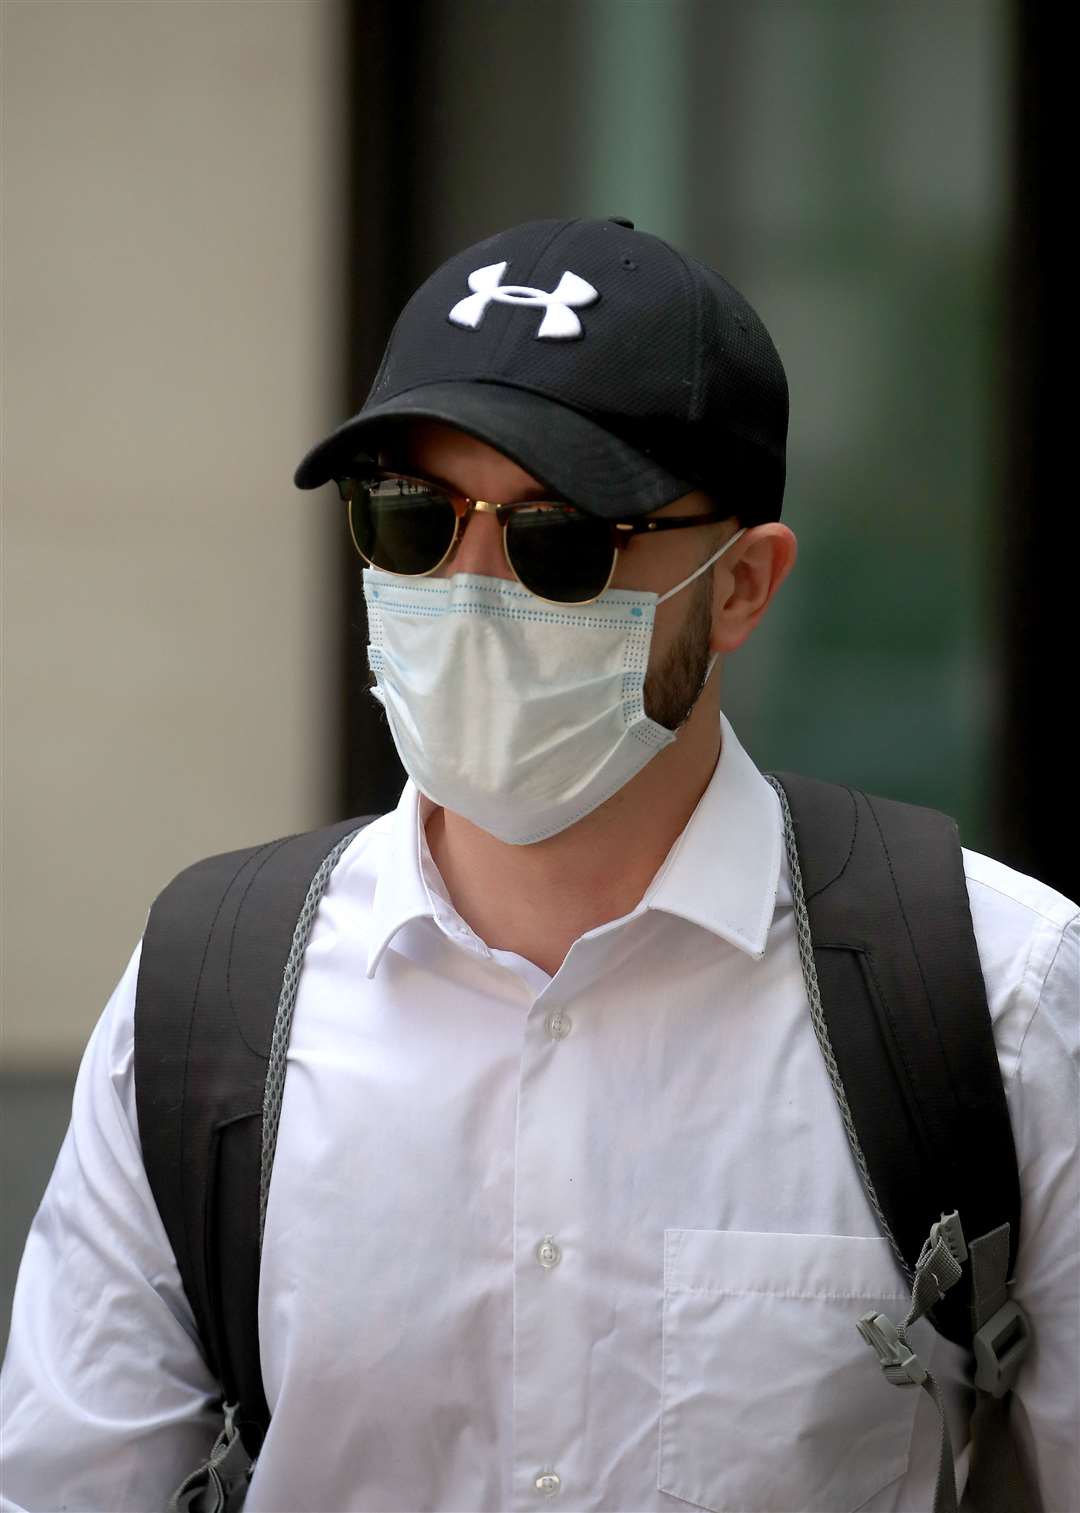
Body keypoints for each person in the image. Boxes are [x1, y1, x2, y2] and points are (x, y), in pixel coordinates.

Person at [2, 216, 1077, 1513]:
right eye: (408, 520)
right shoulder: (208, 1004)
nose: (465, 589)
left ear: (742, 585)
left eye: (558, 539)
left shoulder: (1000, 999)